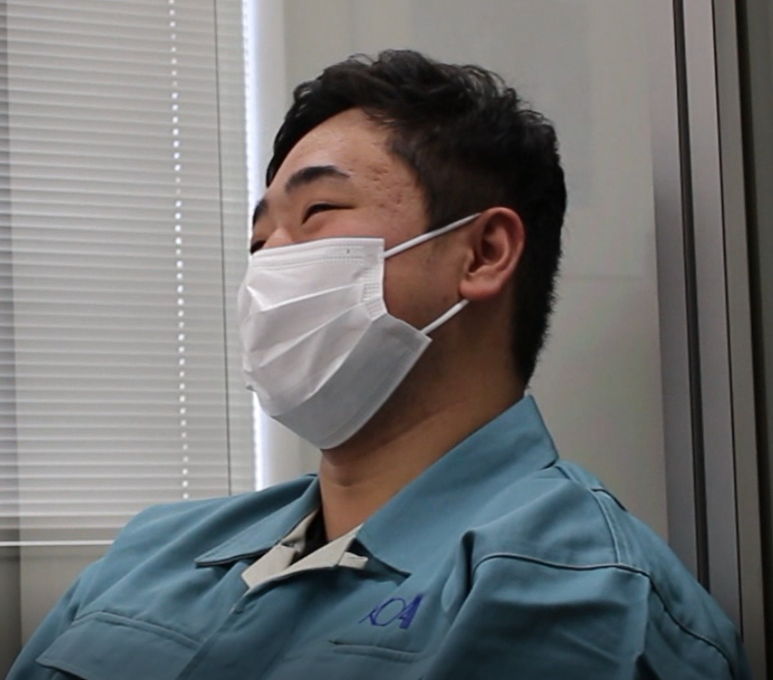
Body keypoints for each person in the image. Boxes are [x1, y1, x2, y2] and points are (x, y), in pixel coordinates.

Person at [8, 49, 749, 680]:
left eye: (318, 213)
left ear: (483, 253)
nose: (269, 264)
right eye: (259, 241)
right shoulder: (155, 551)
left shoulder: (575, 592)